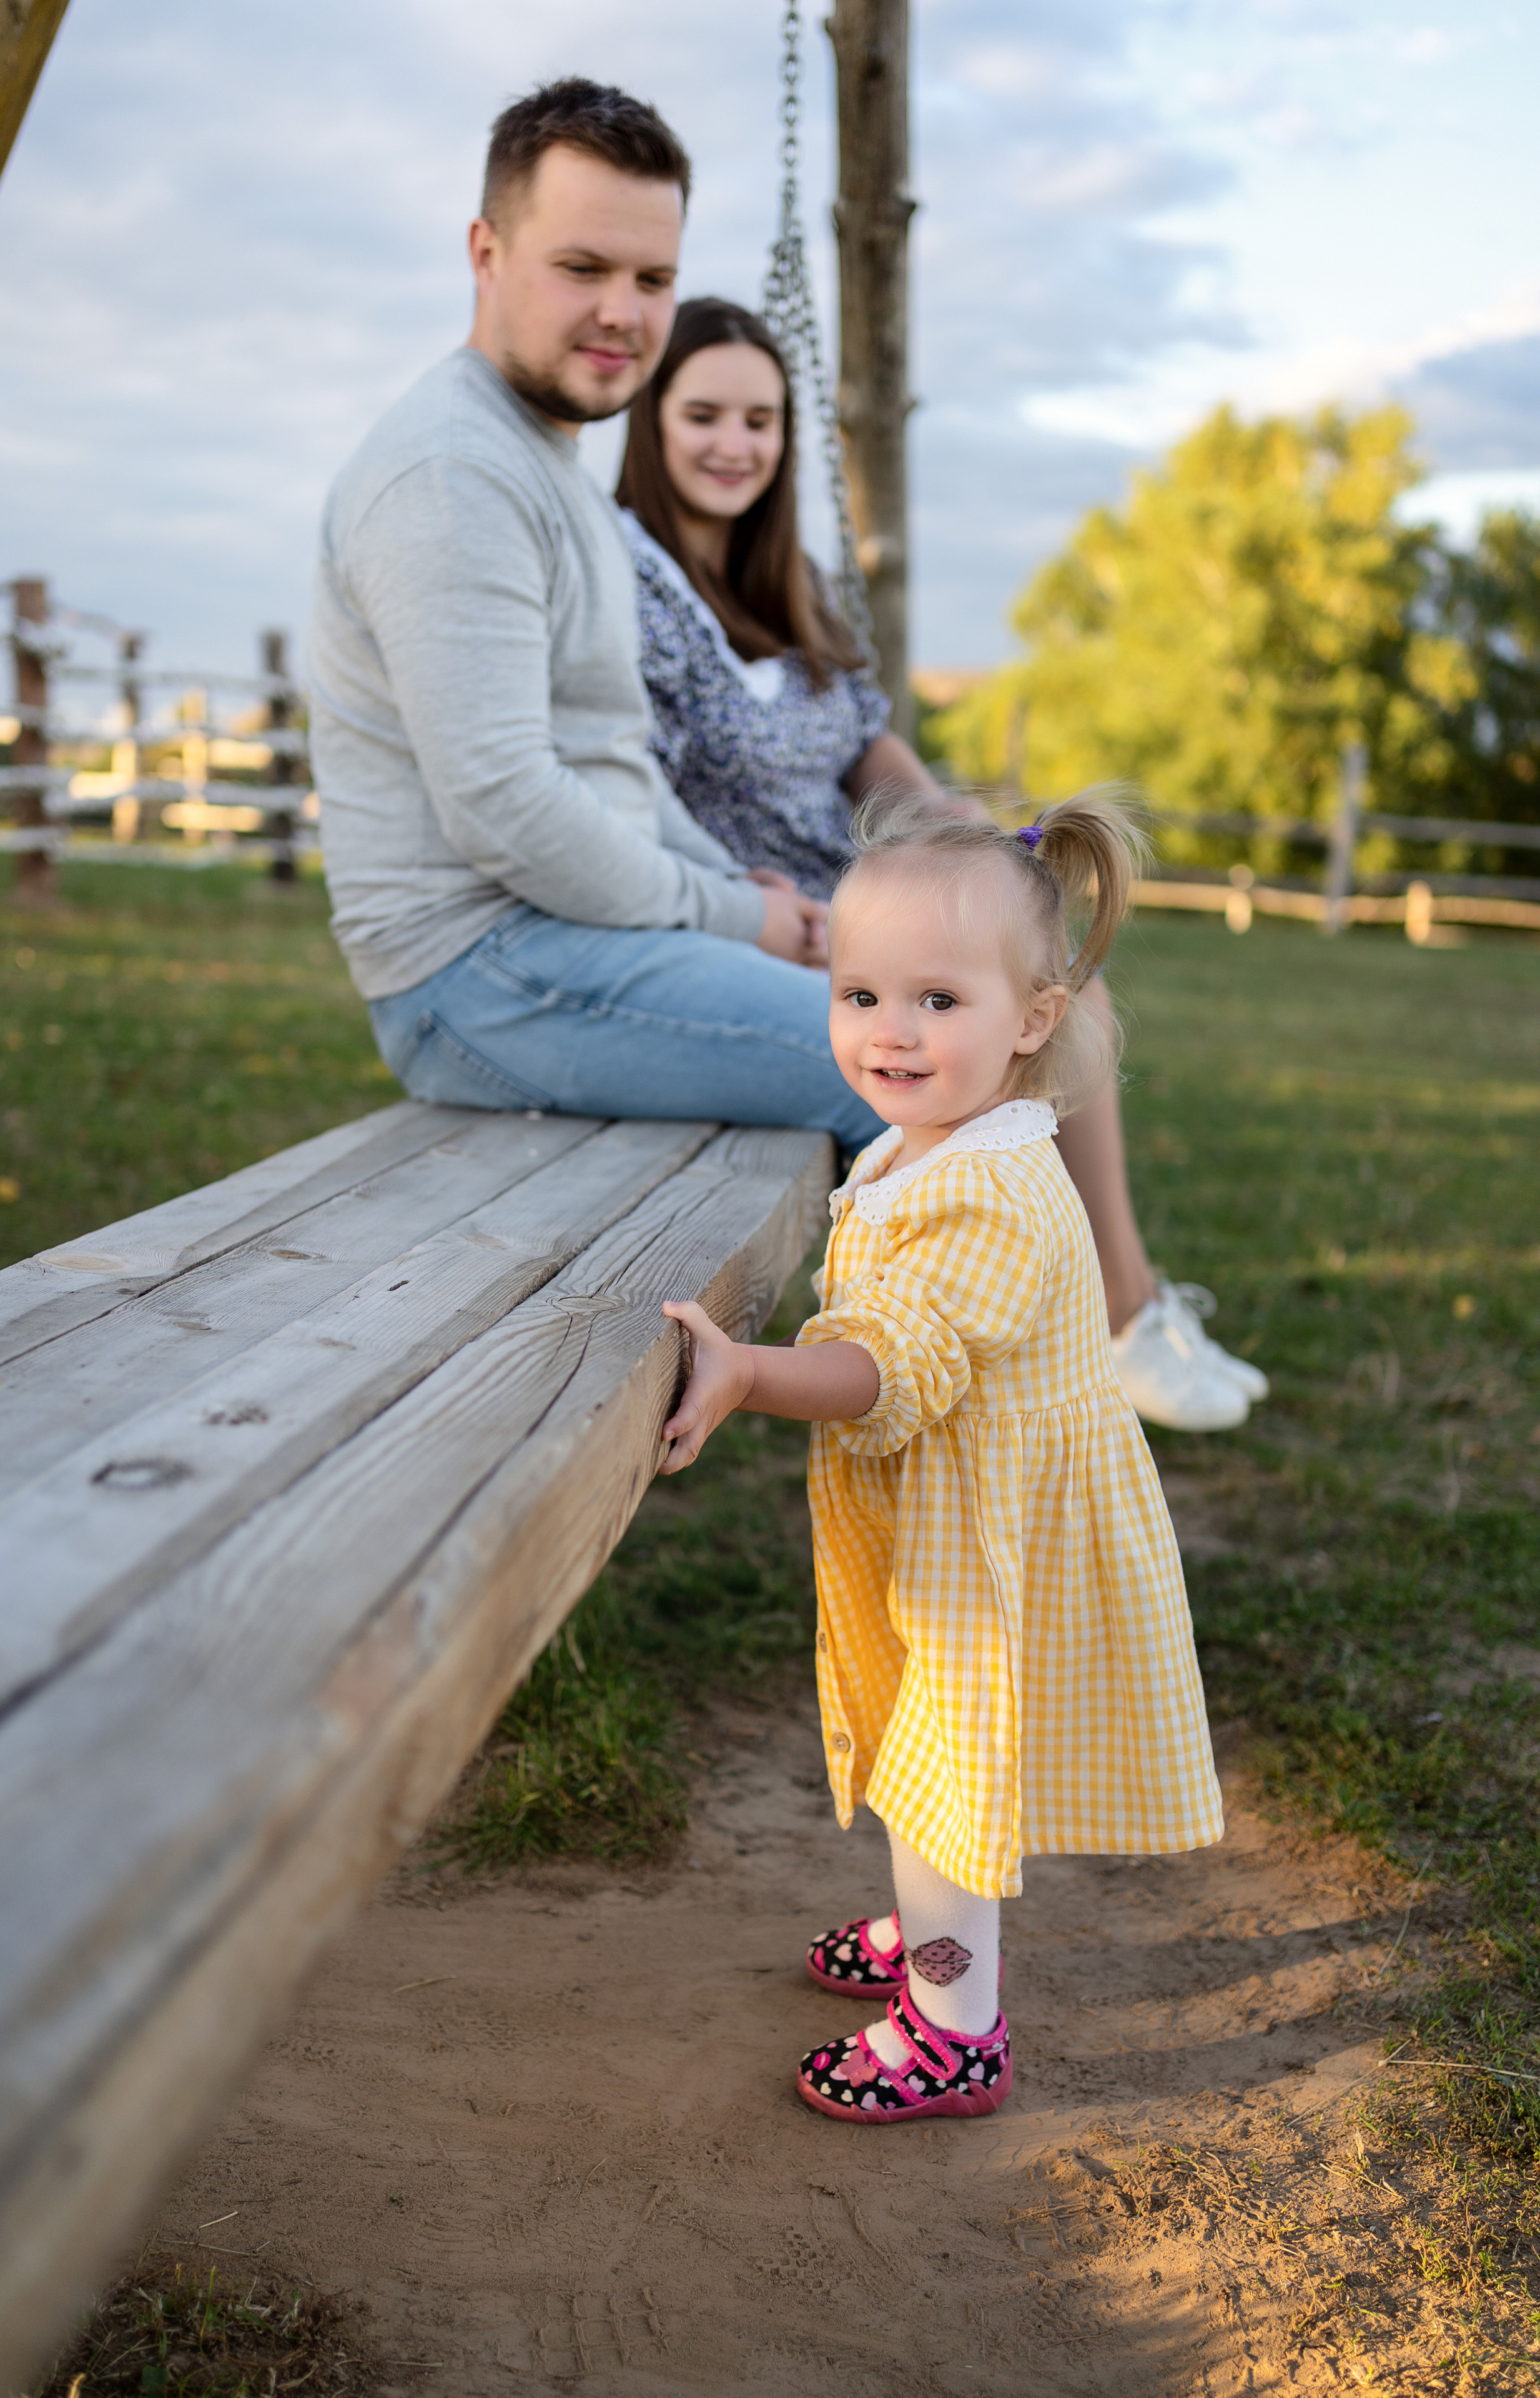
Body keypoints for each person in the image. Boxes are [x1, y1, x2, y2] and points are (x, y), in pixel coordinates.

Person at [658, 789, 1224, 2122]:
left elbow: (879, 1370)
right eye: (859, 995)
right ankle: (932, 1943)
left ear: (1031, 1020)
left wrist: (743, 1372)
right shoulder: (941, 1142)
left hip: (988, 1553)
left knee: (941, 1788)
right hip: (965, 1517)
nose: (888, 1032)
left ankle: (955, 2023)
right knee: (932, 1767)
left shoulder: (987, 1190)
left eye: (935, 1002)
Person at [616, 295, 1266, 1431]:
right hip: (772, 911)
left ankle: (1119, 1304)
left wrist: (938, 812)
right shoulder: (632, 586)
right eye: (704, 413)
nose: (735, 444)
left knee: (1048, 975)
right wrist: (743, 904)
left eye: (761, 420)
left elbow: (865, 735)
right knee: (983, 1013)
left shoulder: (791, 580)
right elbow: (639, 783)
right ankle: (1104, 1315)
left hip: (872, 880)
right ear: (651, 423)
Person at [308, 79, 877, 1155]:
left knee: (949, 1022)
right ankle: (939, 1334)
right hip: (480, 972)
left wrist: (725, 882)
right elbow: (505, 804)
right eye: (583, 268)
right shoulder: (451, 473)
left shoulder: (550, 460)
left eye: (653, 277)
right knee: (897, 1066)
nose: (624, 311)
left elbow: (607, 754)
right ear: (486, 253)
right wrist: (733, 915)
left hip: (569, 936)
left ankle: (972, 1328)